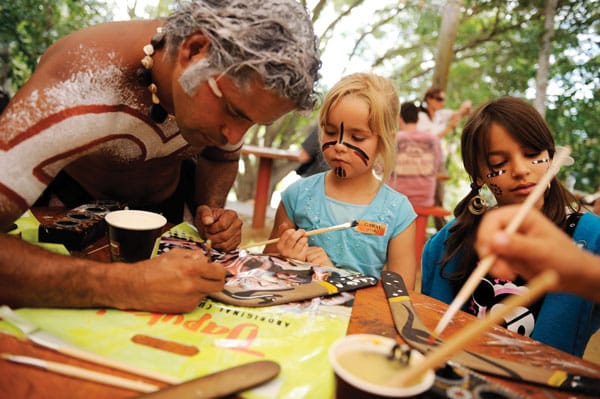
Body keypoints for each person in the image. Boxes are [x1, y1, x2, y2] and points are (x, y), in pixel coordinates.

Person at [0, 0, 321, 313]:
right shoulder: (80, 82)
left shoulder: (222, 85)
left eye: (251, 122)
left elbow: (221, 157)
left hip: (167, 227)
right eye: (234, 112)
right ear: (194, 50)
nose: (235, 137)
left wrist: (210, 211)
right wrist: (126, 285)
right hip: (67, 220)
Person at [421, 97, 599, 356]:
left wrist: (582, 271)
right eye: (498, 164)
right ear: (479, 175)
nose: (520, 169)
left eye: (532, 154)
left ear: (551, 156)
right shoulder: (446, 243)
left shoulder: (591, 236)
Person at [263, 73, 417, 288]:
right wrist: (286, 260)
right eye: (331, 131)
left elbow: (401, 295)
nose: (340, 145)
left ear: (386, 141)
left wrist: (337, 277)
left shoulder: (398, 214)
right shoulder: (296, 196)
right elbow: (265, 269)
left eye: (358, 137)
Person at [476, 205, 600, 303]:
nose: (521, 171)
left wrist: (584, 271)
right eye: (496, 170)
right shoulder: (465, 229)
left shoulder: (591, 230)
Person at [417, 87, 471, 228]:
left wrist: (465, 107)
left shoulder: (441, 114)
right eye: (439, 99)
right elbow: (431, 138)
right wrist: (449, 128)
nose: (442, 102)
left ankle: (442, 230)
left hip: (438, 160)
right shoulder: (420, 116)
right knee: (421, 197)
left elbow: (458, 114)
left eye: (443, 99)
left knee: (439, 196)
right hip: (423, 161)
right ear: (429, 99)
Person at [387, 101, 443, 208]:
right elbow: (437, 165)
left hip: (395, 200)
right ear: (418, 119)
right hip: (425, 200)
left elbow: (380, 168)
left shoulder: (394, 139)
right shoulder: (433, 139)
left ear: (399, 119)